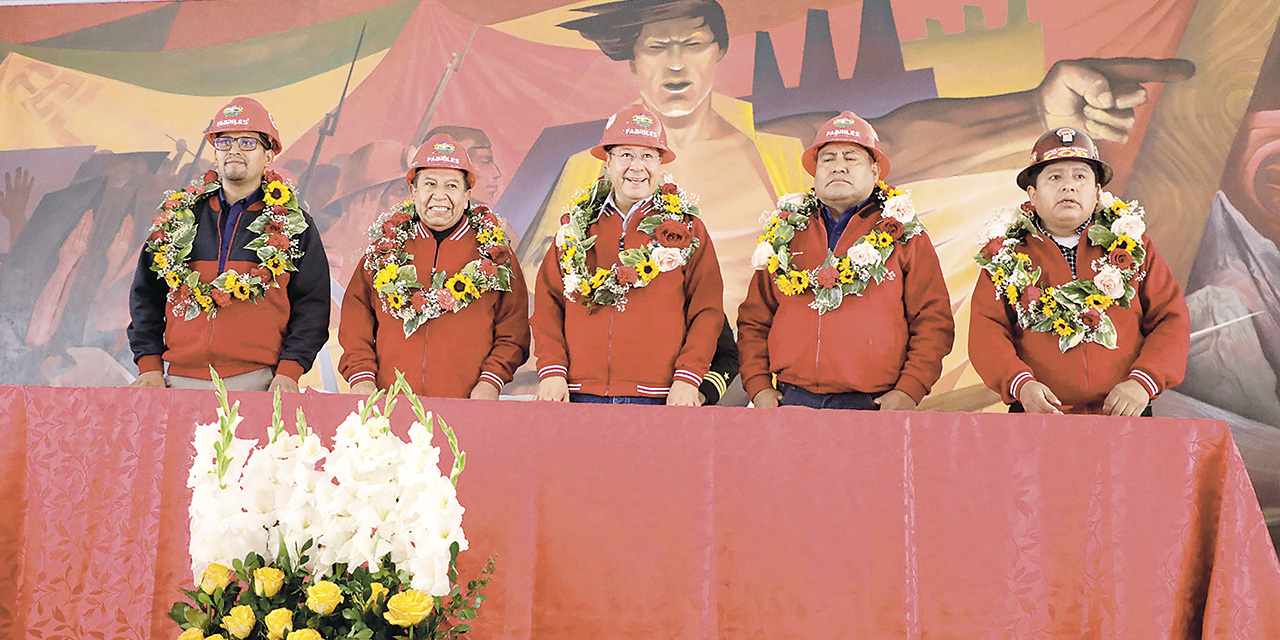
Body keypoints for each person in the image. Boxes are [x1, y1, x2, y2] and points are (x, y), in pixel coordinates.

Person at [516, 0, 1194, 321]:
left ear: (718, 53)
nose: (674, 62)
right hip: (619, 391)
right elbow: (532, 286)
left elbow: (899, 139)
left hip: (752, 393)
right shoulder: (590, 171)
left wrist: (1036, 114)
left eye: (691, 43)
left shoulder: (774, 152)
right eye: (656, 47)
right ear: (632, 62)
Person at [737, 111, 954, 410]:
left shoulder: (905, 235)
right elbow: (754, 319)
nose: (838, 166)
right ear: (815, 172)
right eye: (827, 159)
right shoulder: (784, 233)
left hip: (874, 405)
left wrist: (908, 391)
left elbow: (933, 322)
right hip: (791, 401)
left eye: (851, 157)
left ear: (875, 172)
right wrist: (758, 386)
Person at [968, 127, 1190, 415]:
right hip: (1038, 413)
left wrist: (1142, 383)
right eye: (1055, 177)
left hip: (1124, 413)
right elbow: (987, 332)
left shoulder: (1134, 248)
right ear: (1032, 195)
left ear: (1097, 192)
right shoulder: (1007, 256)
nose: (1068, 186)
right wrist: (1020, 385)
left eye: (1080, 176)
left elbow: (1171, 320)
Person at [127, 97, 330, 392]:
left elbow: (312, 306)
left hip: (260, 383)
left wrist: (289, 372)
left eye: (247, 142)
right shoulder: (179, 218)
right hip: (178, 382)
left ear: (269, 155)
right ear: (215, 152)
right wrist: (149, 366)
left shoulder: (295, 225)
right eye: (224, 142)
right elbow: (146, 296)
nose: (234, 150)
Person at [531, 104, 723, 405]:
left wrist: (688, 378)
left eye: (647, 155)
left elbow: (706, 310)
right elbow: (548, 306)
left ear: (661, 165)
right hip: (579, 393)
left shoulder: (687, 229)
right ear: (607, 163)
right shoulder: (575, 228)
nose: (637, 167)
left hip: (660, 396)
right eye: (625, 155)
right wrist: (552, 371)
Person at [338, 133, 529, 398]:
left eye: (451, 186)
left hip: (469, 405)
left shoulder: (496, 254)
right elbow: (356, 321)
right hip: (388, 403)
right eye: (430, 184)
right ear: (414, 192)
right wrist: (362, 380)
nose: (440, 196)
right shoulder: (385, 248)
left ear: (467, 195)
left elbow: (513, 330)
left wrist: (489, 383)